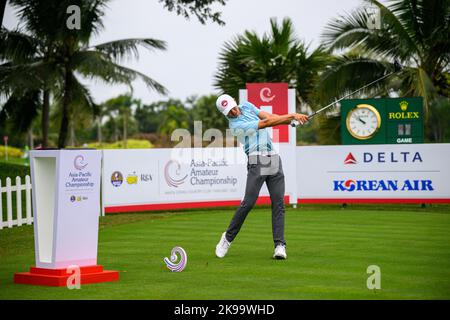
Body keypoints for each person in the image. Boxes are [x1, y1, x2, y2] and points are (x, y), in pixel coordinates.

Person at [214, 94, 309, 259]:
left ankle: (280, 245)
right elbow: (265, 123)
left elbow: (270, 117)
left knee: (278, 203)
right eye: (229, 111)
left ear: (235, 102)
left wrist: (290, 121)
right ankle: (227, 238)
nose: (234, 112)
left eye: (233, 107)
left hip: (273, 158)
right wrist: (292, 115)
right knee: (248, 203)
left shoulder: (247, 106)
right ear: (225, 114)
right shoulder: (235, 126)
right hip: (256, 160)